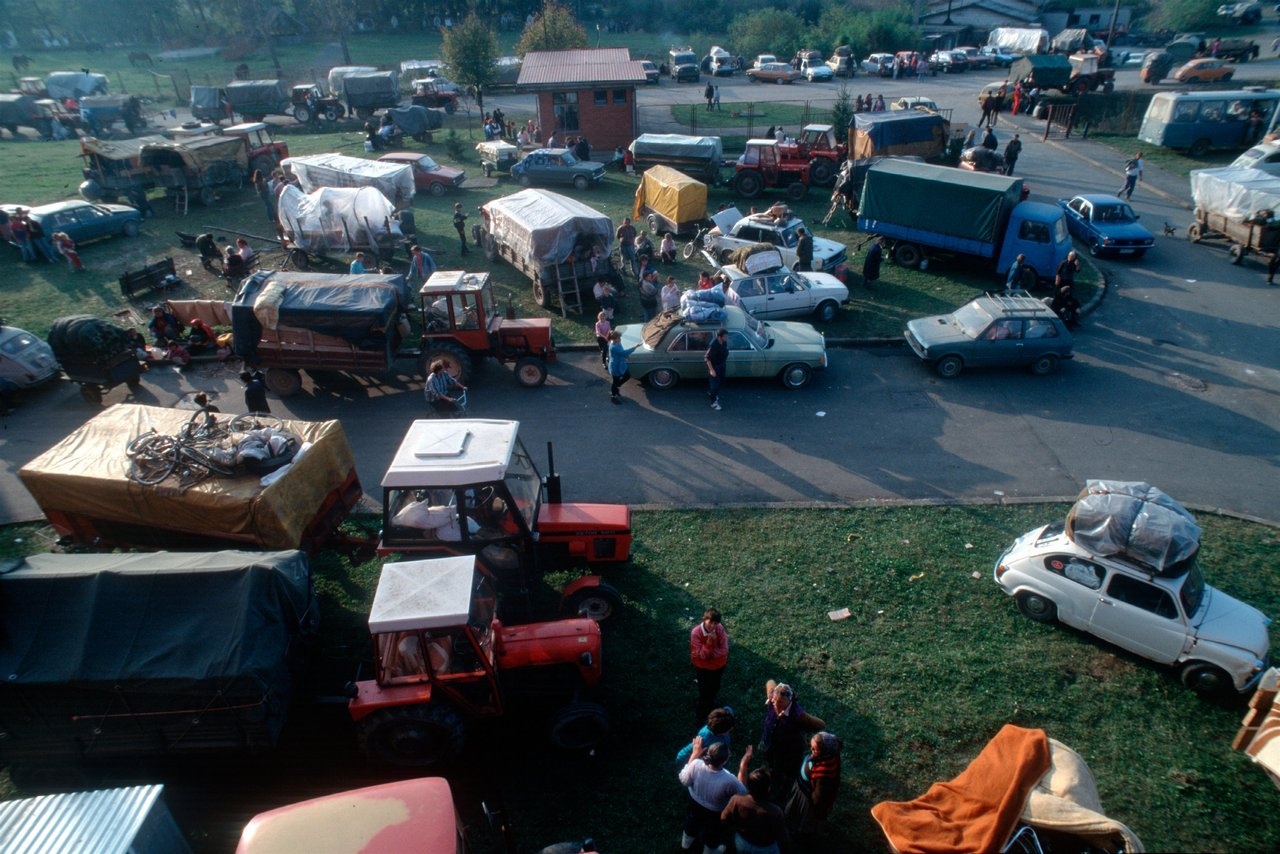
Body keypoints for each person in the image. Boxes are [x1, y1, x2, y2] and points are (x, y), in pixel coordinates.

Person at [758, 680, 827, 803]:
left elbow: (820, 724)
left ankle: (782, 785)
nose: (775, 704)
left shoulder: (798, 715)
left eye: (779, 702)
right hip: (769, 741)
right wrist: (771, 693)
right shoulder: (772, 698)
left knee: (783, 769)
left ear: (788, 701)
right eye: (774, 700)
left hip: (787, 749)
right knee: (768, 758)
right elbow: (770, 682)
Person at [678, 739, 747, 854]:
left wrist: (694, 754)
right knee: (713, 832)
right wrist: (743, 765)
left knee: (691, 822)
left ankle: (686, 844)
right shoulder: (729, 780)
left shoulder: (696, 764)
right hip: (715, 813)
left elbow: (684, 780)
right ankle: (709, 851)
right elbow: (743, 793)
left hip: (694, 803)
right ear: (724, 761)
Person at [784, 732, 842, 837]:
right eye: (811, 747)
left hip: (807, 800)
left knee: (805, 820)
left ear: (824, 751)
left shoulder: (824, 773)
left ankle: (804, 834)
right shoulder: (828, 755)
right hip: (801, 789)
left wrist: (817, 807)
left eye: (815, 749)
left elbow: (818, 798)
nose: (811, 751)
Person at [722, 766, 790, 854]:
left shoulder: (736, 800)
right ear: (768, 789)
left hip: (742, 842)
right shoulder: (776, 812)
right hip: (764, 848)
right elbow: (783, 838)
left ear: (748, 785)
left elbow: (724, 818)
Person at [691, 607, 729, 723]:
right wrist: (709, 644)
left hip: (718, 666)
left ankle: (711, 704)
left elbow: (724, 649)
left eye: (716, 623)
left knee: (715, 687)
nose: (713, 626)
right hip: (703, 668)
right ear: (704, 619)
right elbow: (701, 656)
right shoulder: (696, 633)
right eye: (710, 622)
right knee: (704, 691)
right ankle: (701, 713)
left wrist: (710, 655)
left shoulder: (719, 629)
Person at [608, 330, 636, 404]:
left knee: (627, 376)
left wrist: (626, 357)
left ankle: (617, 387)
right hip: (615, 367)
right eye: (619, 337)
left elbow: (622, 352)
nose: (620, 339)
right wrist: (635, 347)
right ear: (614, 339)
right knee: (615, 382)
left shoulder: (617, 342)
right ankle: (613, 396)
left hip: (621, 364)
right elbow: (624, 352)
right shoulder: (613, 347)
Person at [705, 327, 728, 411]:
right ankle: (713, 402)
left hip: (721, 366)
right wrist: (712, 370)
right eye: (725, 336)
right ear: (719, 337)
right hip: (715, 367)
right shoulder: (713, 345)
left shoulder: (724, 342)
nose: (727, 338)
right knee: (715, 385)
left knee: (720, 382)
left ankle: (712, 393)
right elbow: (707, 358)